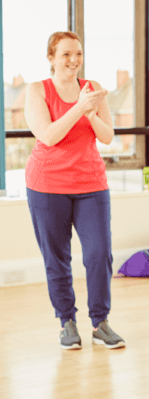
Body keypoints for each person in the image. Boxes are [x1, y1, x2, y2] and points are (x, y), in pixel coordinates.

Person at [24, 31, 125, 350]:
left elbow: (108, 137)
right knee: (57, 258)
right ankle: (67, 321)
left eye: (78, 53)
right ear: (51, 57)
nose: (73, 60)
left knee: (99, 255)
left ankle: (100, 322)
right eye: (66, 54)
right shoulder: (37, 90)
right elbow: (49, 135)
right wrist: (79, 108)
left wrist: (92, 114)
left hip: (91, 184)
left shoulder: (92, 90)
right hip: (47, 185)